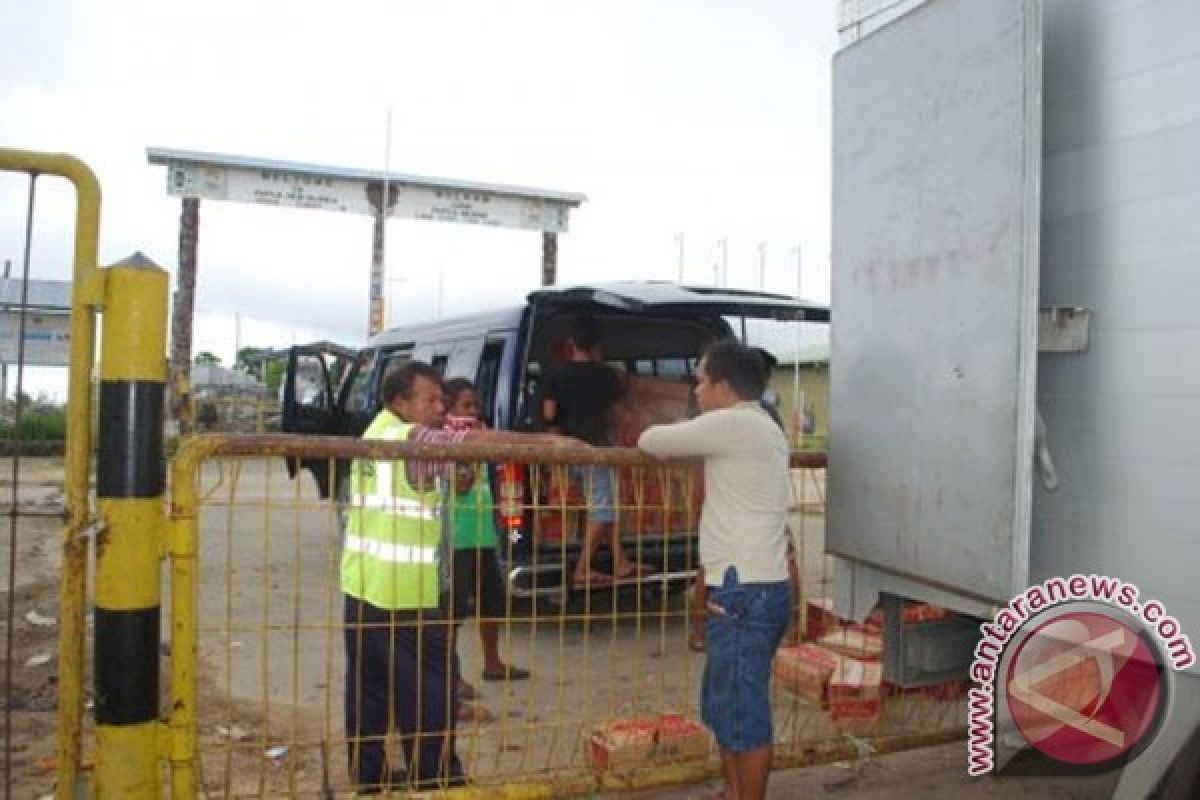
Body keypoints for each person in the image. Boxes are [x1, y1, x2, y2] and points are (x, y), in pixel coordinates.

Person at [343, 361, 580, 792]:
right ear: (399, 402)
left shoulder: (374, 433)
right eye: (429, 400)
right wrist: (544, 441)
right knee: (431, 690)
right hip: (405, 594)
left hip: (362, 587)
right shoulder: (410, 441)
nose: (440, 408)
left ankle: (369, 775)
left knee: (370, 690)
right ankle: (437, 776)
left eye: (442, 400)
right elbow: (468, 441)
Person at [638, 340, 793, 800]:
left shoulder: (736, 423)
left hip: (744, 589)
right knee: (727, 706)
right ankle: (733, 792)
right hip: (751, 584)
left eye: (702, 380)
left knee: (743, 714)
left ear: (724, 386)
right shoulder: (760, 425)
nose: (698, 390)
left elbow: (652, 441)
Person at [442, 378, 531, 694]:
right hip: (458, 537)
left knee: (492, 599)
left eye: (475, 405)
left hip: (482, 533)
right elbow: (460, 484)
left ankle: (492, 663)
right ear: (448, 407)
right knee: (453, 610)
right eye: (466, 405)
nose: (473, 411)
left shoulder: (471, 437)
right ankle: (450, 675)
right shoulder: (448, 440)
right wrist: (473, 452)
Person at [540, 314, 641, 588]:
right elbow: (620, 409)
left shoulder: (554, 374)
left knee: (606, 506)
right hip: (596, 451)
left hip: (566, 451)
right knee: (604, 511)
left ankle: (621, 563)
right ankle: (582, 569)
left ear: (571, 343)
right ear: (597, 345)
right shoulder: (606, 375)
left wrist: (554, 444)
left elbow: (549, 414)